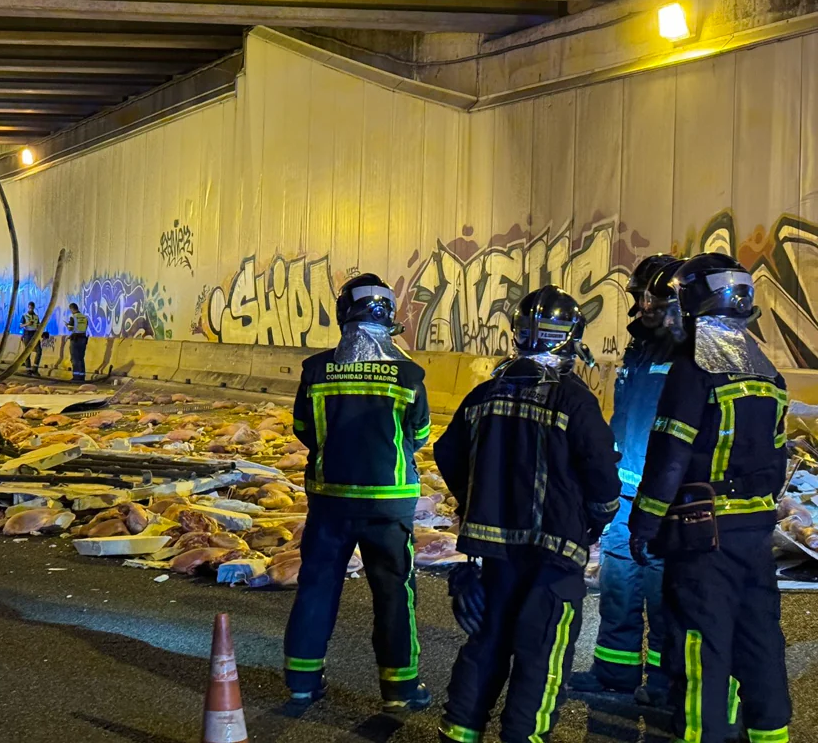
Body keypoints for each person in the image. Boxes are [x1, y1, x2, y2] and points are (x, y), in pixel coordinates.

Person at [434, 285, 621, 743]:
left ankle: (459, 732)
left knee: (487, 641)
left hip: (493, 553)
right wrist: (596, 520)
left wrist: (473, 504)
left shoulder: (483, 393)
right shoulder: (574, 400)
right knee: (542, 655)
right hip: (553, 553)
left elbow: (448, 452)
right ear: (572, 337)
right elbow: (601, 474)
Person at [629, 253, 791, 742]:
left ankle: (703, 733)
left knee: (703, 643)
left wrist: (645, 522)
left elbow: (669, 457)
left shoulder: (694, 371)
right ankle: (769, 734)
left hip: (704, 535)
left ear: (696, 303)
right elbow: (779, 461)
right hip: (756, 532)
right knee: (759, 637)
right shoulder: (769, 375)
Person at [284, 274, 433, 713]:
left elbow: (303, 431)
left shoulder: (316, 370)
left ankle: (302, 682)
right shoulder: (407, 373)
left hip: (331, 501)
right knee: (393, 593)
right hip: (389, 504)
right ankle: (400, 690)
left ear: (343, 314)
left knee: (317, 585)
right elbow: (420, 433)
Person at [570, 255, 682, 704]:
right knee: (618, 582)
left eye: (646, 296)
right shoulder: (639, 349)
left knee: (660, 588)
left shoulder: (688, 352)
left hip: (662, 496)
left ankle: (662, 681)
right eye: (638, 296)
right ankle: (614, 671)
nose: (640, 305)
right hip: (626, 488)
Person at [66, 302, 89, 382]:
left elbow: (70, 328)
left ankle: (76, 377)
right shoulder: (84, 317)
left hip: (75, 339)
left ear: (71, 309)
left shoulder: (73, 317)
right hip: (83, 339)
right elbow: (85, 327)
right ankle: (82, 377)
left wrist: (67, 325)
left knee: (75, 358)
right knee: (81, 358)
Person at [21, 302, 41, 375]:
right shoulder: (24, 316)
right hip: (27, 333)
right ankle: (28, 370)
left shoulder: (36, 316)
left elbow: (38, 326)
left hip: (35, 333)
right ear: (28, 307)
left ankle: (35, 369)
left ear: (34, 307)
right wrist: (27, 324)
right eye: (30, 307)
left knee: (39, 351)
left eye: (32, 307)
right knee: (27, 352)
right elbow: (20, 326)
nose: (31, 308)